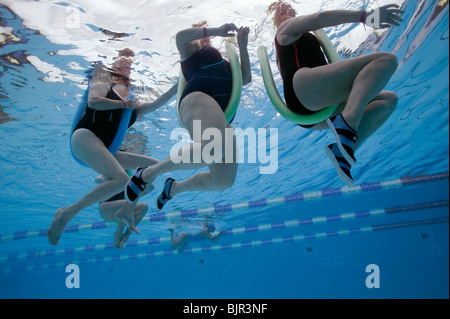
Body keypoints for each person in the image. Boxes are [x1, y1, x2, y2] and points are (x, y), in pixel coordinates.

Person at [47, 49, 177, 246]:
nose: (128, 73)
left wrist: (178, 87)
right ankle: (68, 212)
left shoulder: (132, 106)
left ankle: (126, 208)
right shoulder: (102, 84)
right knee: (121, 179)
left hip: (104, 148)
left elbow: (158, 103)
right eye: (124, 68)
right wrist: (123, 104)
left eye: (130, 70)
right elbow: (93, 101)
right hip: (84, 137)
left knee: (154, 165)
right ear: (115, 73)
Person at [269, 1, 403, 185]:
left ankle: (343, 150)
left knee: (388, 100)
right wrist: (364, 16)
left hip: (310, 111)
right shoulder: (284, 28)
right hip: (303, 89)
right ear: (281, 18)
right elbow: (318, 19)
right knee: (385, 60)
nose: (292, 15)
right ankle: (348, 121)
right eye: (288, 12)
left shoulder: (284, 47)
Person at [123, 24, 252, 209]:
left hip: (221, 118)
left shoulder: (226, 64)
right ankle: (147, 174)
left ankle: (174, 188)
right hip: (197, 99)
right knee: (213, 149)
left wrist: (243, 46)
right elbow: (180, 36)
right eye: (203, 35)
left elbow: (245, 79)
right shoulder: (193, 53)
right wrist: (215, 30)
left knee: (224, 180)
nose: (206, 38)